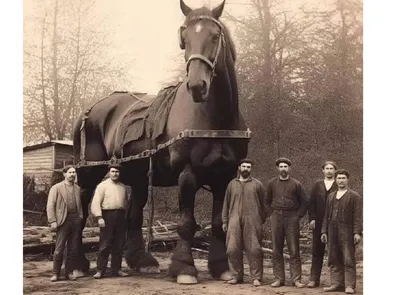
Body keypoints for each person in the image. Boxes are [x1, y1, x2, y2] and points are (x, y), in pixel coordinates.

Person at [222, 158, 266, 287]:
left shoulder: (257, 184)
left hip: (252, 220)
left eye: (248, 167)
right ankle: (236, 276)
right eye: (244, 166)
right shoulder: (232, 184)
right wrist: (225, 221)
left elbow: (265, 205)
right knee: (232, 248)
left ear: (251, 169)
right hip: (234, 219)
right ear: (239, 168)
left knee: (254, 249)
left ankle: (256, 277)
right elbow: (226, 203)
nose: (246, 169)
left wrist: (260, 219)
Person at [265, 157, 308, 288]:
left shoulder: (296, 184)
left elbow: (304, 202)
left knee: (294, 250)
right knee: (276, 249)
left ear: (289, 168)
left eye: (285, 166)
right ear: (277, 168)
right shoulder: (272, 183)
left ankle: (296, 279)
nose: (283, 169)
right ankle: (279, 279)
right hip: (276, 217)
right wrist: (271, 214)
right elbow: (266, 201)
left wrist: (297, 216)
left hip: (291, 218)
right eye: (281, 166)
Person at [321, 169, 362, 294]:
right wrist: (324, 231)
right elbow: (326, 215)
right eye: (338, 178)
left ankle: (349, 285)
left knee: (348, 258)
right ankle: (336, 283)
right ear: (335, 180)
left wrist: (357, 232)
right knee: (333, 257)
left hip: (347, 230)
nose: (341, 180)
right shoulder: (331, 196)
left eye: (343, 178)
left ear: (348, 180)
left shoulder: (354, 196)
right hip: (332, 230)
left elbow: (358, 216)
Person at [91, 163, 129, 279]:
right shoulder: (102, 186)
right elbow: (96, 202)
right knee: (105, 244)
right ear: (109, 172)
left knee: (119, 244)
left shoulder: (123, 187)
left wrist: (125, 218)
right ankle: (100, 270)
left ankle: (116, 269)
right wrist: (99, 217)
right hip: (107, 216)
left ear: (120, 173)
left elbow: (126, 203)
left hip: (121, 216)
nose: (115, 174)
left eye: (117, 172)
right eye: (113, 171)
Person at [47, 165, 84, 282]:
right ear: (64, 174)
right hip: (62, 220)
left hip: (75, 221)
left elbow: (80, 205)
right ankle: (56, 274)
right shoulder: (56, 188)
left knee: (73, 248)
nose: (72, 174)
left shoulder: (77, 188)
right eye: (70, 172)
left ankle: (68, 272)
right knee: (59, 248)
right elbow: (50, 205)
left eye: (74, 172)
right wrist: (52, 220)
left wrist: (80, 217)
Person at [307, 161, 338, 288]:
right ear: (323, 170)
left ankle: (335, 281)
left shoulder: (339, 184)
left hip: (334, 223)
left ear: (335, 171)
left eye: (331, 168)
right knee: (317, 251)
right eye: (327, 168)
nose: (329, 171)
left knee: (334, 251)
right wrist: (312, 219)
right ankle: (314, 279)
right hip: (319, 222)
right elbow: (311, 203)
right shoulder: (317, 185)